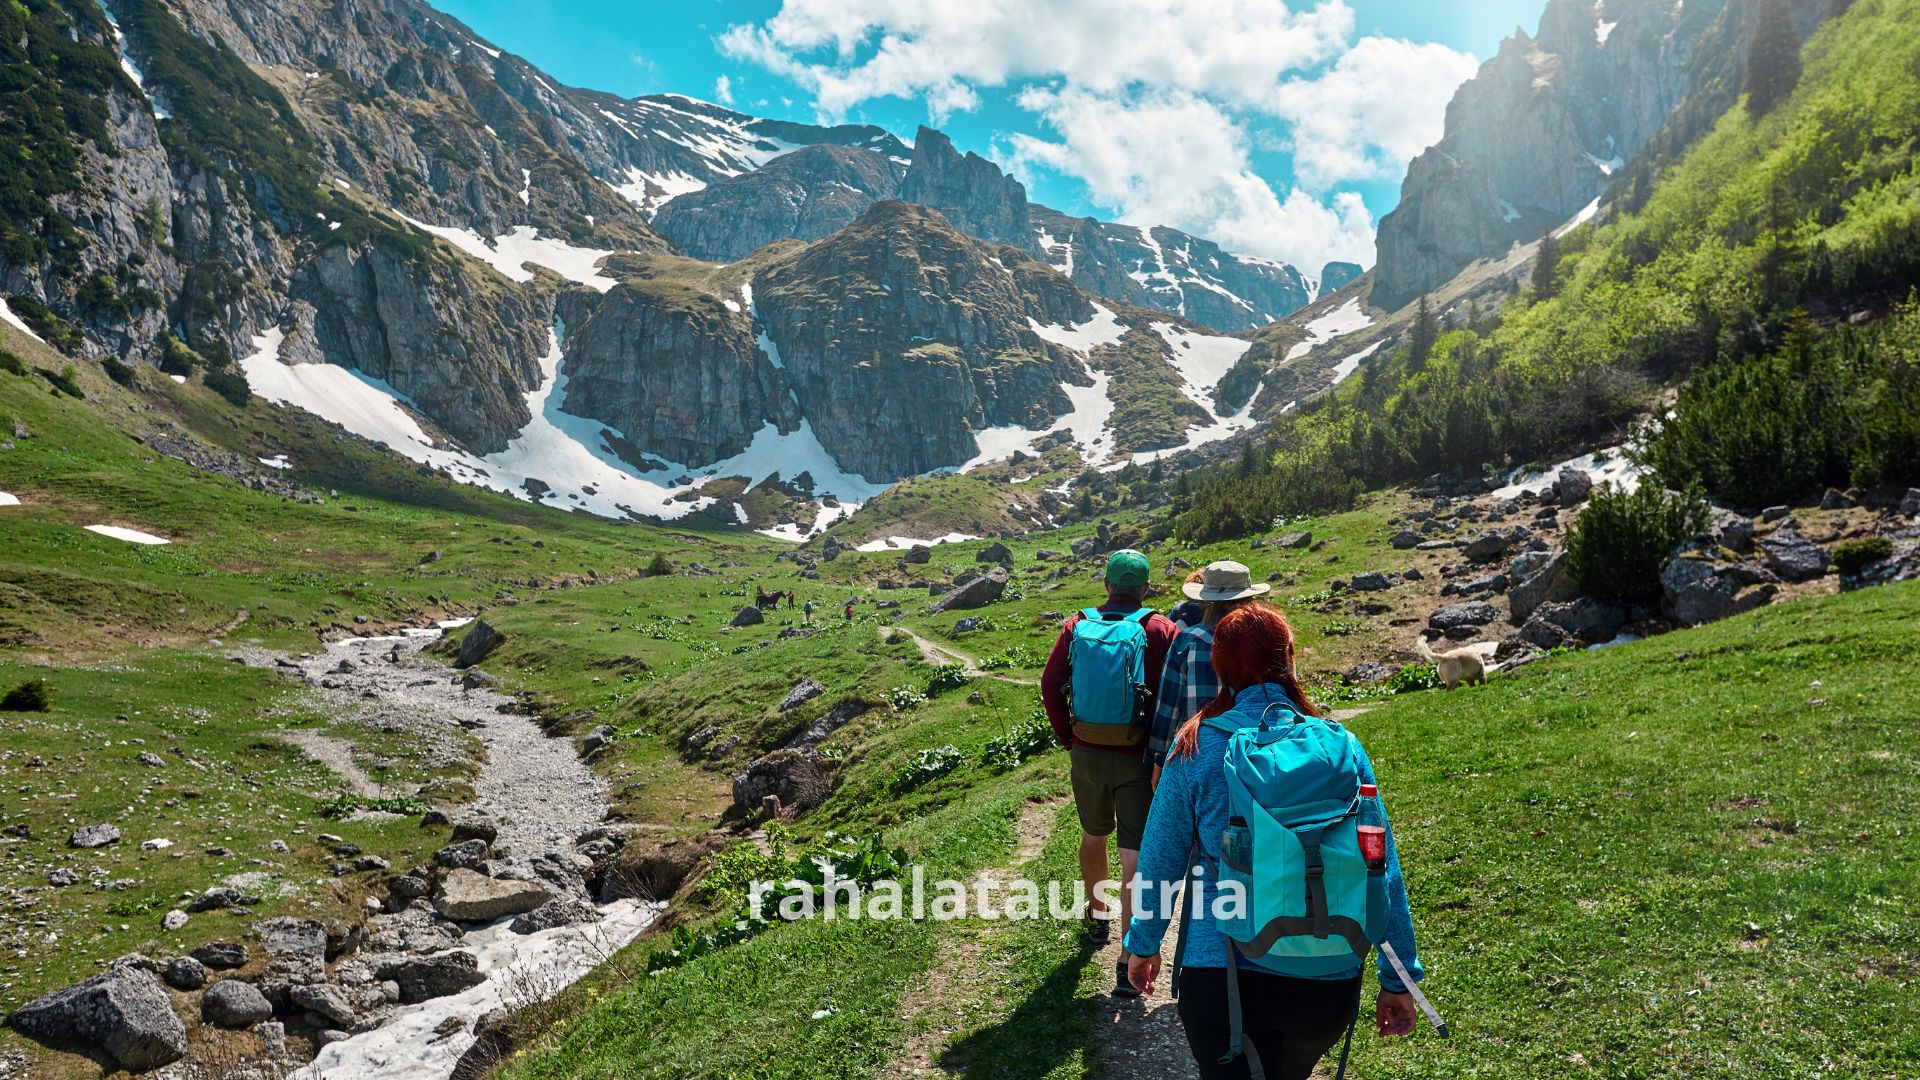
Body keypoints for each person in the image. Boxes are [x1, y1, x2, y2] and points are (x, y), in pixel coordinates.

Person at [1123, 604, 1423, 1080]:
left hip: (1220, 973)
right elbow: (1380, 867)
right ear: (1289, 658)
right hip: (1326, 978)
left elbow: (1161, 860)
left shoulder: (1197, 745)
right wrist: (1399, 977)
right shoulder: (1341, 746)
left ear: (1221, 667)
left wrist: (1143, 944)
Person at [1040, 549, 1178, 999]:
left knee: (1093, 835)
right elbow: (1172, 694)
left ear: (1106, 584)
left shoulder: (1076, 624)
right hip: (1139, 757)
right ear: (1145, 587)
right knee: (1133, 856)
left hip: (1088, 751)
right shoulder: (1159, 629)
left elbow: (1050, 684)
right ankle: (1126, 958)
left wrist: (1069, 737)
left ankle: (1097, 915)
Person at [1147, 561, 1268, 790]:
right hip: (1258, 755)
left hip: (1199, 754)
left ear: (1207, 601)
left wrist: (1159, 760)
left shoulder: (1189, 641)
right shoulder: (1267, 641)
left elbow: (1168, 707)